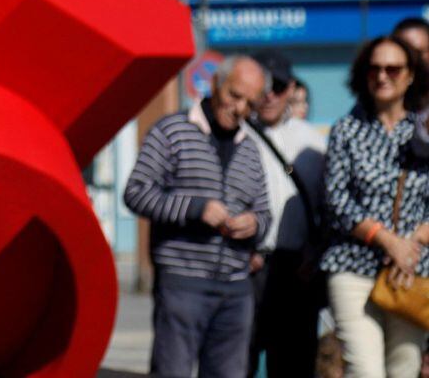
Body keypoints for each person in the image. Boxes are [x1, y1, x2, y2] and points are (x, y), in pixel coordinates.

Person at [124, 55, 271, 378]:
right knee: (172, 370)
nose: (240, 108)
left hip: (236, 289)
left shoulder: (251, 147)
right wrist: (195, 208)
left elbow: (263, 212)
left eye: (250, 102)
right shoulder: (172, 131)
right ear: (216, 84)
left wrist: (254, 225)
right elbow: (136, 193)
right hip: (182, 282)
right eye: (235, 95)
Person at [320, 35, 429, 377]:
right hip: (353, 266)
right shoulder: (346, 130)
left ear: (410, 75)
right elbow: (336, 201)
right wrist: (387, 240)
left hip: (411, 270)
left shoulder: (424, 131)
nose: (382, 76)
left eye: (393, 69)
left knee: (405, 367)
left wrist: (413, 244)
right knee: (365, 370)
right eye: (374, 69)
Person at [244, 51, 327, 377]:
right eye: (262, 86)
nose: (268, 95)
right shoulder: (236, 135)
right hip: (249, 266)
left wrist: (316, 252)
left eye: (277, 86)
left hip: (298, 267)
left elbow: (328, 208)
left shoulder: (312, 142)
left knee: (295, 360)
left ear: (291, 88)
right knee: (240, 359)